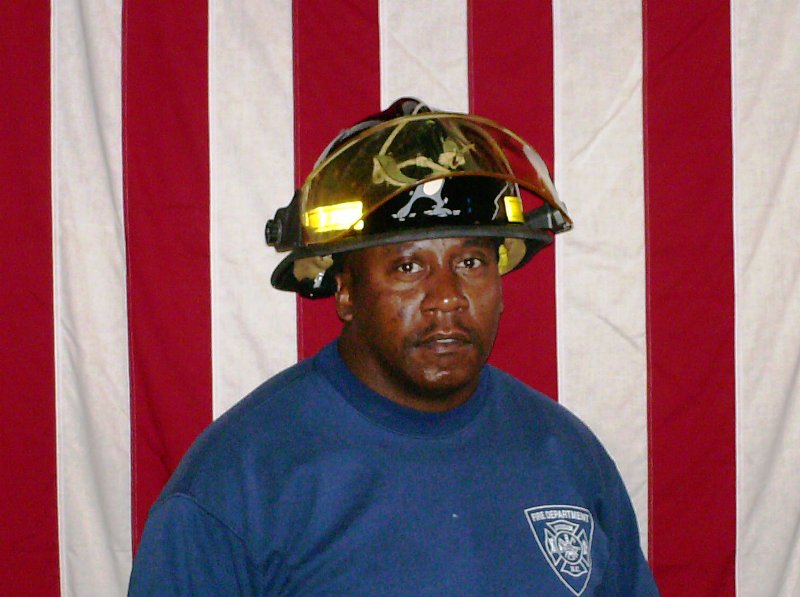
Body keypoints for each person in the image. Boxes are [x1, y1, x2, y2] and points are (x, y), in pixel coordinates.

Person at [128, 98, 659, 596]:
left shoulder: (566, 455)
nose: (447, 297)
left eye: (470, 262)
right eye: (408, 266)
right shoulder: (238, 485)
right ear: (346, 292)